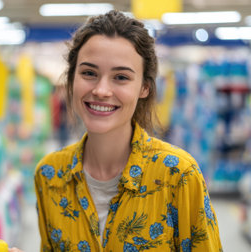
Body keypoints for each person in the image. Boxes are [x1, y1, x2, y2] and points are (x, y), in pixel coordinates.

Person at [12, 10, 222, 252]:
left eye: (121, 77)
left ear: (144, 87)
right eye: (89, 73)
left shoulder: (178, 175)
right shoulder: (50, 175)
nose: (101, 90)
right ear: (71, 79)